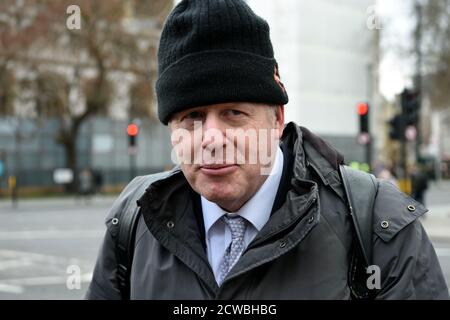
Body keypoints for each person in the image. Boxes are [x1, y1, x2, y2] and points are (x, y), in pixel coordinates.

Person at [86, 0, 449, 300]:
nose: (211, 139)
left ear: (277, 119)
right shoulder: (132, 219)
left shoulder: (378, 224)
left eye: (233, 113)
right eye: (192, 117)